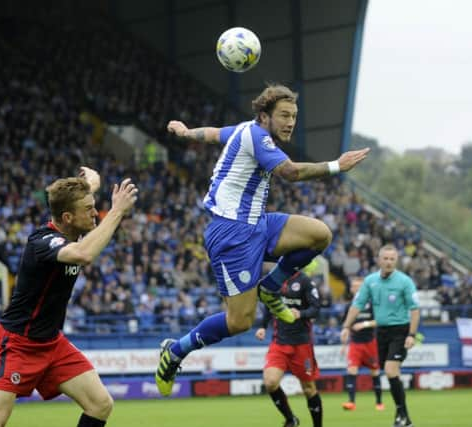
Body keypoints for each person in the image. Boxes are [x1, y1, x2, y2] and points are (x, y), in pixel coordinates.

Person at [155, 83, 370, 396]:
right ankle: (175, 352)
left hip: (259, 223)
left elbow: (215, 133)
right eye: (283, 115)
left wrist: (188, 132)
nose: (290, 122)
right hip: (232, 234)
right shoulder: (256, 135)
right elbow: (291, 173)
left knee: (320, 235)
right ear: (264, 116)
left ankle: (271, 287)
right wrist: (338, 165)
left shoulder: (246, 130)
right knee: (240, 321)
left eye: (294, 115)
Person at [0, 167, 138, 427]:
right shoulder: (42, 242)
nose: (95, 213)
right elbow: (83, 254)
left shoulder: (74, 221)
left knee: (100, 404)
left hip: (52, 343)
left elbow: (78, 199)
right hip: (19, 343)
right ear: (68, 217)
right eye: (89, 209)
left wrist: (90, 184)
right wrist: (117, 210)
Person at [340, 245, 420, 427]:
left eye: (392, 259)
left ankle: (401, 415)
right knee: (390, 373)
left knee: (391, 370)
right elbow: (357, 305)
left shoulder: (405, 282)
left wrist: (412, 334)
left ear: (396, 261)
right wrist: (346, 326)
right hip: (381, 333)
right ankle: (404, 417)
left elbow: (414, 310)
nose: (389, 262)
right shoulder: (370, 281)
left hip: (400, 330)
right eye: (386, 258)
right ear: (379, 260)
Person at [255, 271, 322, 427]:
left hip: (302, 344)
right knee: (270, 382)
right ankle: (291, 419)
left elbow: (316, 308)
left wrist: (301, 313)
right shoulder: (274, 279)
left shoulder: (305, 281)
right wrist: (263, 326)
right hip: (279, 342)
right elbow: (268, 304)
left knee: (309, 389)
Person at [340, 276, 384, 411]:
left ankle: (379, 402)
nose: (356, 289)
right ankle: (351, 402)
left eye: (359, 286)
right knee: (351, 370)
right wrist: (343, 345)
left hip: (370, 343)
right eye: (354, 286)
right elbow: (346, 326)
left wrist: (364, 324)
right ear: (351, 289)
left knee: (375, 372)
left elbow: (381, 320)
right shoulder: (349, 306)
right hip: (355, 344)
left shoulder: (372, 304)